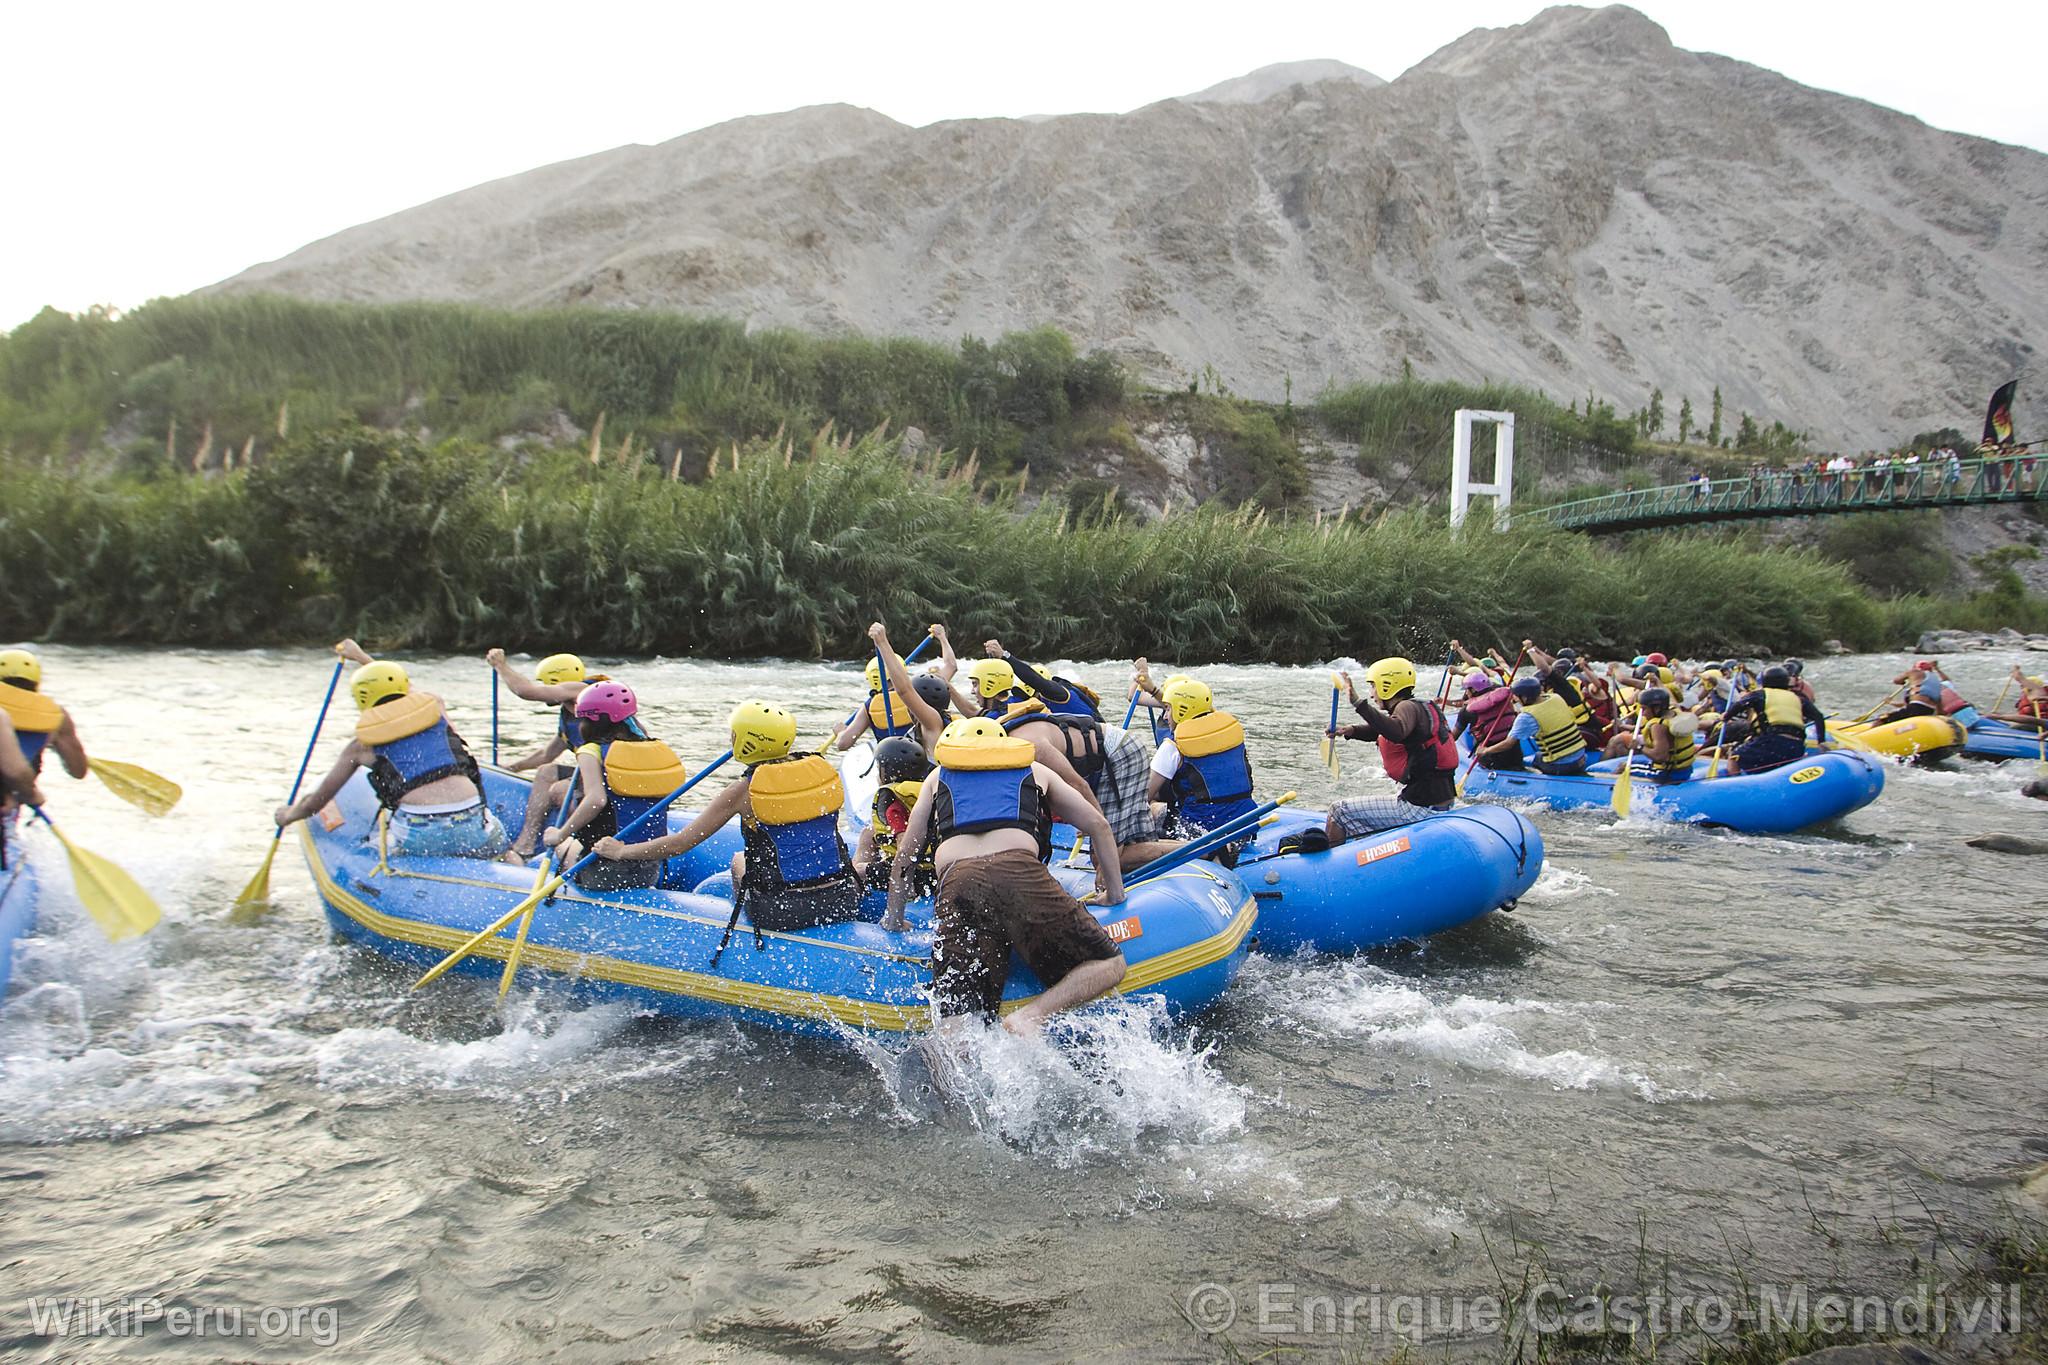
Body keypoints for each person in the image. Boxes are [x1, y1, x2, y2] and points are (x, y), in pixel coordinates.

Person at [884, 716, 1127, 1035]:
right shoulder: (1035, 770)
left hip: (958, 882)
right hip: (1019, 871)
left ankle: (952, 1061)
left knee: (957, 1013)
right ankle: (1031, 1016)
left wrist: (894, 918)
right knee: (1110, 963)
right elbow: (1099, 826)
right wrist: (1115, 894)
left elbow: (906, 856)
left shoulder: (936, 777)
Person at [599, 700, 861, 933]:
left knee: (739, 860)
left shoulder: (741, 791)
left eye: (733, 734)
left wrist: (621, 851)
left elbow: (680, 844)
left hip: (783, 910)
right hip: (842, 898)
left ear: (746, 741)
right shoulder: (818, 771)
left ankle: (745, 933)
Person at [273, 640, 511, 858]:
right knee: (504, 848)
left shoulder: (360, 746)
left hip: (420, 831)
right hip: (471, 820)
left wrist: (287, 816)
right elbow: (398, 684)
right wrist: (362, 657)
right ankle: (513, 863)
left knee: (373, 847)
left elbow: (316, 802)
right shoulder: (434, 709)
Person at [541, 682, 685, 890]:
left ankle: (572, 896)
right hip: (649, 867)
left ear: (590, 721)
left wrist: (560, 834)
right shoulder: (652, 748)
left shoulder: (591, 751)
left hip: (604, 868)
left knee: (563, 847)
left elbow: (596, 800)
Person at [486, 648, 620, 858]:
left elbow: (526, 691)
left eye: (547, 683)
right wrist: (511, 768)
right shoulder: (568, 711)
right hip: (591, 773)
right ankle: (526, 843)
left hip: (612, 778)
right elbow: (547, 754)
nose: (546, 688)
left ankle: (579, 843)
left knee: (559, 789)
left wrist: (500, 666)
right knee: (546, 772)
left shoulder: (581, 691)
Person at [1324, 657, 1462, 841]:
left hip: (1418, 808)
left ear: (1386, 685)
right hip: (1440, 802)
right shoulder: (1421, 706)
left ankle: (1333, 859)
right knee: (1356, 822)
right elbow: (1384, 729)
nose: (1372, 694)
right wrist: (1351, 730)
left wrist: (1358, 703)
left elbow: (1396, 731)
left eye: (1373, 686)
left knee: (1338, 811)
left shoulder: (1406, 708)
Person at [1148, 678, 1260, 844]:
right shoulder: (1230, 734)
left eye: (1168, 709)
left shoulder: (1172, 746)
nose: (1165, 716)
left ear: (1181, 710)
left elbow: (1143, 795)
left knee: (1152, 806)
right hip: (1244, 826)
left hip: (1198, 831)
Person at [0, 648, 88, 798]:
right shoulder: (56, 717)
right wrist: (51, 741)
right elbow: (78, 771)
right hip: (16, 795)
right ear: (36, 682)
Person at [855, 735, 937, 894]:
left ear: (886, 772)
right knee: (868, 833)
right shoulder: (925, 791)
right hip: (935, 868)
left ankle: (854, 894)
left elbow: (905, 847)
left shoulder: (894, 806)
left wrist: (903, 883)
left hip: (915, 875)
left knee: (858, 871)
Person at [1720, 666, 1827, 774]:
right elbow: (1818, 716)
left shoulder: (1761, 694)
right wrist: (1821, 741)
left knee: (1734, 757)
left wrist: (1726, 716)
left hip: (1772, 742)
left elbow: (1740, 704)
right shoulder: (1798, 698)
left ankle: (1735, 782)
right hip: (1797, 746)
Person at [1479, 677, 1590, 774]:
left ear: (1525, 697)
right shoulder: (1556, 698)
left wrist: (1486, 750)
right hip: (1582, 757)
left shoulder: (1526, 717)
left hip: (1562, 766)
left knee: (1537, 758)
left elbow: (1508, 744)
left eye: (1516, 696)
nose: (1514, 699)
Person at [979, 640, 1104, 721]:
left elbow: (1035, 680)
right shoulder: (1041, 705)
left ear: (1036, 691)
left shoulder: (1059, 694)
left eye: (1027, 696)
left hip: (1100, 740)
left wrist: (1004, 655)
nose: (1025, 701)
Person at [1601, 686, 1697, 782]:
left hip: (1666, 774)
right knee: (1632, 762)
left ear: (1657, 708)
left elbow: (1660, 756)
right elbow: (1671, 699)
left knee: (1623, 767)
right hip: (1685, 770)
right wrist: (1656, 681)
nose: (1643, 714)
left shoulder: (1658, 726)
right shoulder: (1675, 711)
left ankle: (1603, 784)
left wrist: (1639, 747)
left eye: (1644, 709)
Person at [1453, 670, 1517, 751]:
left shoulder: (1466, 711)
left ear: (1473, 690)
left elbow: (1453, 737)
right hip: (1513, 748)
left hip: (1486, 752)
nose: (1466, 693)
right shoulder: (1504, 697)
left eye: (1467, 690)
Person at [1873, 660, 1946, 726]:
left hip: (1915, 708)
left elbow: (1896, 681)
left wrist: (1904, 682)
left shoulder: (1914, 672)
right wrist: (1890, 702)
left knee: (1881, 719)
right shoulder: (1936, 682)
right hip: (1929, 711)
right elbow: (1940, 711)